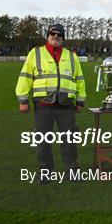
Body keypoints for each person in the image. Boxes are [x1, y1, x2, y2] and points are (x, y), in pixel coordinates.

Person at [16, 23, 86, 184]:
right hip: (43, 105)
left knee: (69, 141)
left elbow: (79, 80)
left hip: (66, 106)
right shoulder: (36, 53)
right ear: (47, 36)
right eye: (52, 34)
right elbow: (25, 76)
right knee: (43, 142)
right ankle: (46, 173)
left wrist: (80, 101)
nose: (55, 36)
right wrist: (23, 100)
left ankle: (72, 171)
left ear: (63, 38)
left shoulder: (71, 56)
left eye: (59, 35)